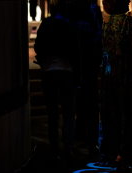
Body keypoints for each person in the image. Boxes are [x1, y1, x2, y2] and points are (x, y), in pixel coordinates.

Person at [99, 0, 132, 173]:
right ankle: (124, 152)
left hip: (108, 73)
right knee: (126, 113)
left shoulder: (106, 21)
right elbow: (126, 48)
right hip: (124, 73)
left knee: (110, 114)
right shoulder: (126, 20)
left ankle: (109, 151)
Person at [34, 0, 79, 163]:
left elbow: (38, 47)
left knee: (52, 112)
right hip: (66, 71)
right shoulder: (69, 26)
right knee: (68, 112)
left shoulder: (46, 24)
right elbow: (76, 50)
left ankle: (54, 148)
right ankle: (68, 146)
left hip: (49, 72)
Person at [73, 0, 103, 159]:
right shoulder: (91, 11)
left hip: (82, 65)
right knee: (90, 105)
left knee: (83, 104)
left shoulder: (78, 13)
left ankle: (84, 138)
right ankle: (90, 140)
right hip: (87, 65)